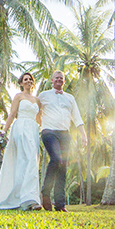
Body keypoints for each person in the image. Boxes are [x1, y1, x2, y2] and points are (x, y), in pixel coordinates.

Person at [0, 72, 42, 210]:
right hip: (21, 128)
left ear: (33, 82)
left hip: (33, 130)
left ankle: (30, 198)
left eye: (30, 79)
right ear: (21, 83)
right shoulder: (18, 97)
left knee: (32, 161)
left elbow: (39, 119)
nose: (28, 81)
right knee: (24, 160)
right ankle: (25, 199)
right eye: (25, 79)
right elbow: (12, 114)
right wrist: (3, 132)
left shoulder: (37, 100)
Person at [37, 70, 83, 212]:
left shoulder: (70, 98)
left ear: (64, 81)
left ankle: (60, 204)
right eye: (56, 78)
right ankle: (45, 192)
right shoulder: (43, 95)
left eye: (61, 78)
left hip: (65, 134)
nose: (59, 80)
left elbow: (77, 117)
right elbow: (35, 111)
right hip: (49, 132)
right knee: (56, 159)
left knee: (63, 167)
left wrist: (83, 135)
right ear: (52, 80)